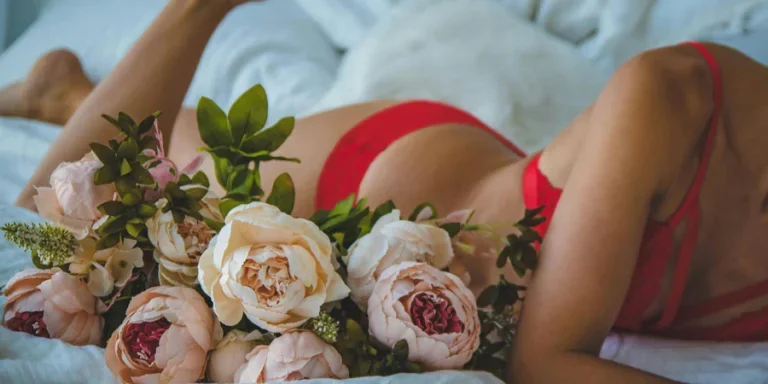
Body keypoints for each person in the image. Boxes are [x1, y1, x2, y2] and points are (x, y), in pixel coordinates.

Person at [3, 1, 768, 383]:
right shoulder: (669, 94)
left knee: (181, 158)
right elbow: (546, 361)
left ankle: (67, 90)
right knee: (88, 199)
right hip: (398, 182)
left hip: (476, 204)